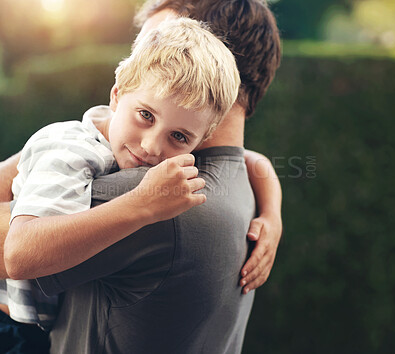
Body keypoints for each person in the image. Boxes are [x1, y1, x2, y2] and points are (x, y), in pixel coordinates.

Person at [0, 0, 283, 352]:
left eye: (155, 39)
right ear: (119, 94)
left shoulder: (159, 194)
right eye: (145, 114)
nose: (150, 146)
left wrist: (142, 204)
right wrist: (271, 208)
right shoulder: (236, 180)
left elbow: (17, 252)